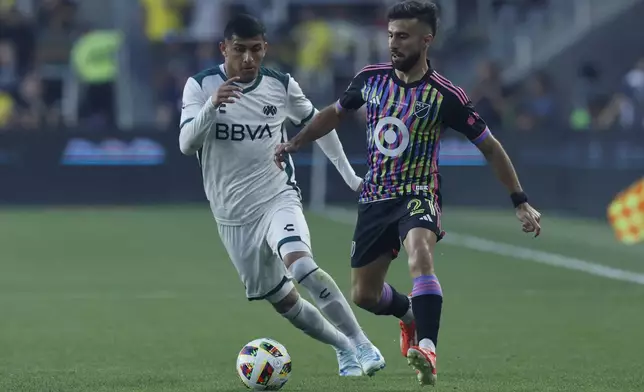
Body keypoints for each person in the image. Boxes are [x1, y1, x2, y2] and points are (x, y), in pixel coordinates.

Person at [274, 0, 542, 386]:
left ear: (426, 40)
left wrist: (520, 201)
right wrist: (297, 141)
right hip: (374, 197)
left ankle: (428, 348)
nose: (393, 43)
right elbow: (334, 112)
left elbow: (490, 146)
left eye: (402, 36)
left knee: (420, 254)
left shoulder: (446, 96)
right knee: (364, 295)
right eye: (390, 35)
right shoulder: (370, 79)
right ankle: (410, 315)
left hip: (419, 192)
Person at [178, 13, 386, 377]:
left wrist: (351, 177)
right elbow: (185, 144)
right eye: (239, 50)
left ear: (265, 49)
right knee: (282, 299)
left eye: (255, 50)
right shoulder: (200, 86)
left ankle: (364, 343)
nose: (247, 59)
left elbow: (318, 125)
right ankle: (343, 346)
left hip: (277, 196)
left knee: (301, 264)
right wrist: (212, 106)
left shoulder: (280, 85)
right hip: (231, 216)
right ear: (223, 48)